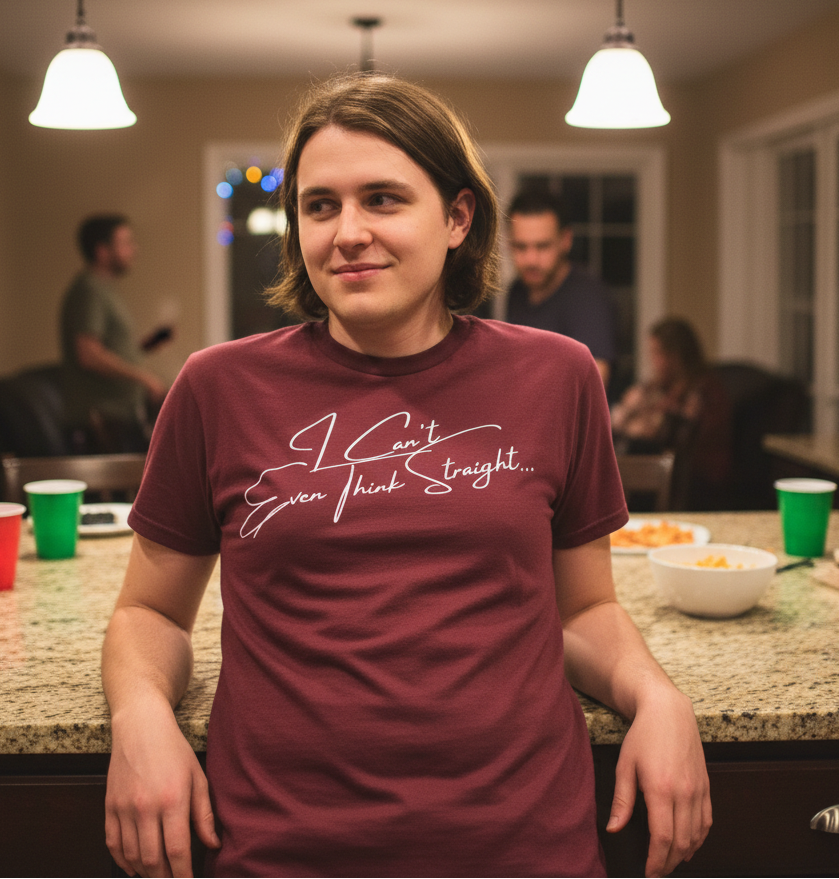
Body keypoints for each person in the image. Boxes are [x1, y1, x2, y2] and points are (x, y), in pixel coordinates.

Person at [102, 74, 710, 879]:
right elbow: (150, 611)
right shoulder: (217, 387)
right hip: (283, 849)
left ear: (457, 217)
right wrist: (140, 715)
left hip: (524, 845)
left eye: (383, 199)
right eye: (319, 206)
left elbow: (586, 605)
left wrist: (659, 698)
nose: (347, 232)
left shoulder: (556, 376)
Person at [60, 214, 172, 452]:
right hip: (100, 422)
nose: (134, 249)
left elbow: (114, 350)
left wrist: (151, 344)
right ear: (102, 251)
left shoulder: (103, 289)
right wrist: (143, 378)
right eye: (126, 243)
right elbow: (88, 354)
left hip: (120, 418)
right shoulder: (89, 289)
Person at [612, 317, 732, 509]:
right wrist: (630, 409)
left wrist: (643, 423)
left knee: (635, 448)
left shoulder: (705, 390)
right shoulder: (659, 386)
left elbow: (674, 435)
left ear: (676, 356)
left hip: (694, 475)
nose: (654, 361)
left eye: (657, 353)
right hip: (658, 464)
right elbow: (620, 422)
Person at [503, 188, 615, 386]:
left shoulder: (587, 296)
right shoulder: (516, 292)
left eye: (542, 246)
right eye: (521, 247)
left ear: (566, 240)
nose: (531, 259)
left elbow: (595, 381)